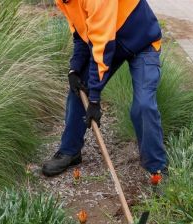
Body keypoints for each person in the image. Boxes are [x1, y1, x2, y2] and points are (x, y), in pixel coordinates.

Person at [42, 0, 167, 185]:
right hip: (112, 41)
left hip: (143, 43)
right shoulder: (64, 1)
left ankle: (156, 168)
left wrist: (94, 99)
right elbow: (82, 37)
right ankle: (70, 151)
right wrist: (74, 69)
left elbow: (103, 46)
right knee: (78, 89)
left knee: (143, 105)